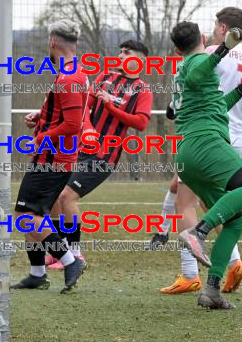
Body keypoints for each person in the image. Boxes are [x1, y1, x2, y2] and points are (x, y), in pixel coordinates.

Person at [154, 8, 242, 295]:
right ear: (204, 37)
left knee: (234, 220)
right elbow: (199, 71)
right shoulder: (199, 61)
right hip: (208, 145)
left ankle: (211, 289)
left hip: (190, 150)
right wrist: (224, 49)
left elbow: (217, 103)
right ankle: (197, 234)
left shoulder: (183, 69)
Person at [46, 39, 153, 270]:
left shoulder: (142, 90)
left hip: (104, 156)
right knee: (54, 194)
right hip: (81, 148)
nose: (122, 55)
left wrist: (112, 107)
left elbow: (141, 123)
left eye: (128, 52)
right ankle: (60, 252)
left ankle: (75, 256)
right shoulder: (105, 77)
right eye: (121, 51)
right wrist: (88, 129)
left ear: (141, 59)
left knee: (67, 197)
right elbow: (85, 108)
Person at [10, 19, 88, 293]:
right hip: (53, 157)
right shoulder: (72, 72)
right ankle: (37, 272)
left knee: (24, 215)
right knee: (30, 215)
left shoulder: (69, 77)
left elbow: (72, 123)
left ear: (52, 41)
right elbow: (63, 114)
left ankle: (69, 261)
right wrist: (41, 117)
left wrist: (41, 138)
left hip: (53, 159)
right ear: (74, 44)